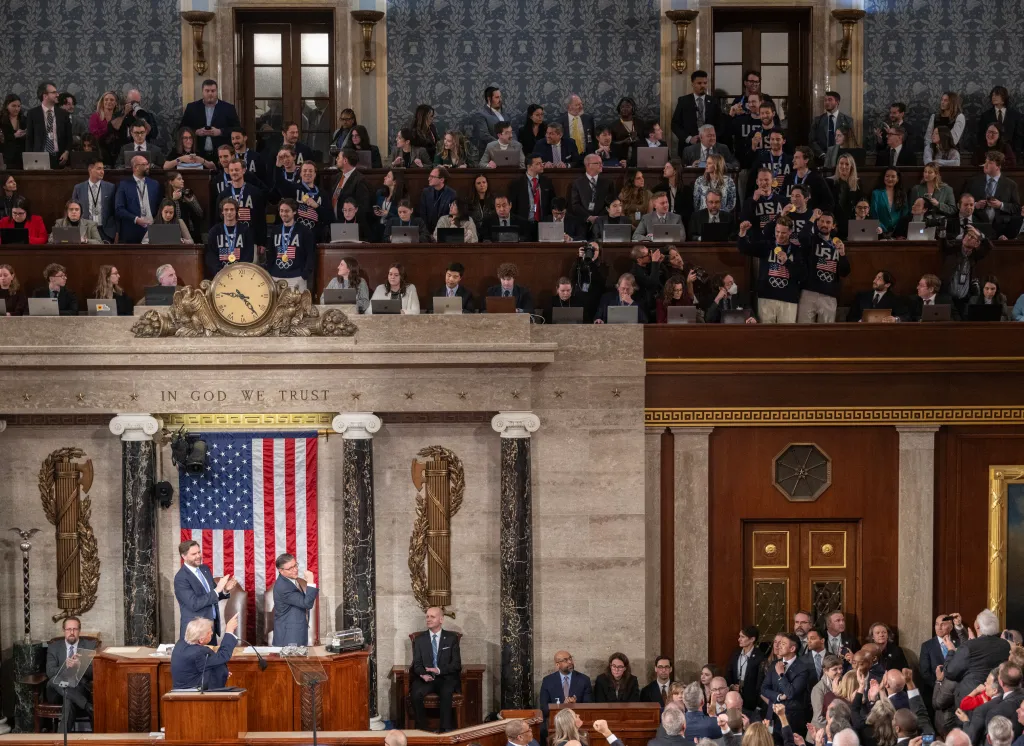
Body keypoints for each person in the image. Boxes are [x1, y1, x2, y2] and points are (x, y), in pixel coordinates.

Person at [739, 216, 803, 323]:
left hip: (788, 299)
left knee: (786, 336)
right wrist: (742, 232)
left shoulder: (797, 251)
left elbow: (802, 275)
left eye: (783, 233)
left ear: (790, 232)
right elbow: (745, 249)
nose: (779, 235)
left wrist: (787, 262)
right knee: (766, 334)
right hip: (766, 297)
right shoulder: (767, 246)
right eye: (777, 231)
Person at [410, 606, 462, 732]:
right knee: (416, 693)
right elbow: (416, 664)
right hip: (426, 678)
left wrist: (438, 670)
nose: (428, 619)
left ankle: (445, 729)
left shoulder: (451, 638)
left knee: (446, 692)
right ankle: (423, 730)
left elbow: (456, 664)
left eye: (432, 617)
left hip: (445, 677)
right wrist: (422, 674)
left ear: (441, 619)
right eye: (427, 616)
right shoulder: (420, 639)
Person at [173, 539, 235, 642]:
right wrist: (218, 589)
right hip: (195, 633)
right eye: (194, 554)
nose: (198, 556)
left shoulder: (204, 569)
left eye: (199, 552)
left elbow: (213, 596)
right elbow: (194, 604)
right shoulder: (181, 578)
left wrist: (224, 590)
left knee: (212, 657)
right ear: (184, 556)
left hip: (210, 629)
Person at [798, 211, 850, 323]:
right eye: (821, 221)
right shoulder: (812, 240)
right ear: (817, 223)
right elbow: (802, 236)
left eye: (828, 222)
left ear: (833, 225)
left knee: (826, 333)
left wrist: (842, 254)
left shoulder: (838, 245)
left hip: (829, 296)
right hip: (809, 292)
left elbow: (844, 272)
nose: (824, 224)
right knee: (803, 330)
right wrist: (812, 218)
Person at [45, 616, 95, 725]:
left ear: (79, 630)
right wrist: (65, 666)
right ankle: (87, 706)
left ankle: (62, 740)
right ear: (64, 630)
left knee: (68, 700)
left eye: (75, 629)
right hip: (56, 693)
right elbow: (50, 672)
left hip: (77, 688)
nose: (71, 632)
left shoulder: (89, 645)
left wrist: (80, 666)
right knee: (55, 679)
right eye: (68, 629)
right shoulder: (54, 647)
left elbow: (95, 672)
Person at [170, 615, 239, 690]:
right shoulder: (200, 653)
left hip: (180, 690)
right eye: (209, 632)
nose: (212, 633)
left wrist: (222, 671)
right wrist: (229, 631)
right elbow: (223, 656)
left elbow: (203, 666)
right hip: (194, 694)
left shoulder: (179, 645)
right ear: (201, 640)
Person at [762, 632, 810, 735]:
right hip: (773, 716)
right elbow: (764, 688)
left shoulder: (803, 668)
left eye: (783, 643)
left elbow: (791, 693)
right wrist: (778, 696)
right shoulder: (775, 664)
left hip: (792, 718)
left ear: (792, 649)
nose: (779, 646)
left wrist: (781, 675)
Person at [179, 79, 240, 158]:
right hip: (197, 153)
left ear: (217, 91)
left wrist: (220, 131)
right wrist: (196, 132)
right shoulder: (192, 108)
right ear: (202, 92)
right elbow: (182, 129)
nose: (210, 94)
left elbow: (237, 129)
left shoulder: (228, 108)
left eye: (213, 91)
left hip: (222, 155)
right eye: (207, 91)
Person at [967, 151, 1022, 237]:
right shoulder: (973, 182)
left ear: (998, 167)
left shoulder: (1011, 185)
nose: (985, 165)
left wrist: (1001, 205)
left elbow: (1017, 208)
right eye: (985, 161)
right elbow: (962, 200)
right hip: (977, 227)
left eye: (989, 163)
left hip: (1002, 229)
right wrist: (975, 205)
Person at [943, 226, 992, 318]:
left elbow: (988, 247)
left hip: (965, 298)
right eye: (968, 235)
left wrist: (979, 235)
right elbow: (943, 245)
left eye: (973, 237)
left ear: (977, 244)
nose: (969, 238)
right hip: (948, 296)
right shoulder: (953, 251)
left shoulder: (975, 256)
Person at [267, 199, 316, 291]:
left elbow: (310, 254)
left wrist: (304, 275)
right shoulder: (275, 230)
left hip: (297, 277)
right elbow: (271, 253)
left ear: (294, 212)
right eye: (281, 211)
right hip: (276, 277)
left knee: (297, 305)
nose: (283, 214)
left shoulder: (305, 231)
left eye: (287, 211)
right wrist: (270, 271)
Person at [270, 552, 317, 646]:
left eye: (295, 565)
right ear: (280, 570)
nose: (295, 570)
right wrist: (311, 581)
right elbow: (307, 603)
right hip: (289, 637)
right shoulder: (284, 587)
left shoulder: (291, 581)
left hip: (296, 632)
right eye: (290, 568)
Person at [671, 70, 721, 157]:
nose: (703, 86)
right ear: (692, 84)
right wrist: (689, 139)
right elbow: (675, 125)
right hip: (688, 147)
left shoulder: (713, 101)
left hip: (710, 147)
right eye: (699, 83)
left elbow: (720, 124)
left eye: (705, 83)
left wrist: (711, 138)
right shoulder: (683, 101)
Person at [221, 158, 268, 248]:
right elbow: (218, 219)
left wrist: (262, 242)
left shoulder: (255, 192)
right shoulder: (223, 195)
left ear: (243, 170)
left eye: (236, 170)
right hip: (229, 240)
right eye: (231, 170)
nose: (234, 172)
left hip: (252, 239)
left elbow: (261, 218)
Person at [539, 650, 594, 726]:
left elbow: (589, 705)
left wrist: (575, 705)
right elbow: (544, 708)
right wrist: (563, 706)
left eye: (570, 658)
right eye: (565, 660)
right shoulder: (548, 681)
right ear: (557, 664)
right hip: (556, 721)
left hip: (577, 720)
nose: (570, 662)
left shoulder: (584, 680)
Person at [114, 156, 161, 243]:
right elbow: (119, 209)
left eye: (148, 164)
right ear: (135, 167)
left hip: (152, 229)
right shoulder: (124, 185)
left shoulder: (154, 184)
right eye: (144, 164)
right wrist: (136, 219)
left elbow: (159, 205)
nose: (148, 167)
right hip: (132, 230)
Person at [205, 198, 255, 279]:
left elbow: (249, 254)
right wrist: (219, 270)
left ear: (236, 211)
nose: (229, 212)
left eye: (232, 209)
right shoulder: (214, 231)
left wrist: (238, 269)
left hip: (241, 274)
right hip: (220, 274)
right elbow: (210, 255)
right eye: (226, 209)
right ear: (222, 212)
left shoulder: (245, 230)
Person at [25, 81, 71, 167]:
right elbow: (29, 138)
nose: (57, 95)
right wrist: (29, 159)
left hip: (59, 157)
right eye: (54, 92)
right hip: (39, 158)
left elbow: (69, 137)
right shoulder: (33, 113)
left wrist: (67, 152)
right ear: (45, 96)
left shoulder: (63, 114)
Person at [508, 155, 554, 234]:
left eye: (542, 163)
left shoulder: (547, 182)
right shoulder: (517, 183)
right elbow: (512, 206)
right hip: (524, 225)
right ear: (529, 167)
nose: (542, 165)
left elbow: (552, 202)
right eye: (538, 164)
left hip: (543, 224)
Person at [570, 154, 618, 226]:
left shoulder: (608, 183)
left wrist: (599, 218)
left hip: (603, 221)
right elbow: (575, 205)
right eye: (598, 163)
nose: (601, 165)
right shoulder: (577, 183)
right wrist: (589, 217)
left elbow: (611, 203)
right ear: (588, 165)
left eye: (601, 163)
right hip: (583, 222)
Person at [810, 91, 854, 161]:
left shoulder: (847, 120)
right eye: (825, 100)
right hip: (821, 159)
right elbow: (812, 140)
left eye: (830, 100)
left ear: (837, 102)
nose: (827, 102)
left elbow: (849, 141)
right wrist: (822, 154)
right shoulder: (817, 120)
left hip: (841, 158)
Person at [332, 149, 373, 226]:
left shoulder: (360, 180)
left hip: (350, 225)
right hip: (335, 222)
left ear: (345, 160)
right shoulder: (337, 177)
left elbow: (363, 207)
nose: (336, 159)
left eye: (338, 157)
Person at [977, 86, 1022, 155]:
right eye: (992, 95)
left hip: (1010, 155)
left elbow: (1018, 137)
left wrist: (1016, 154)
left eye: (996, 95)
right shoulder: (985, 115)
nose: (993, 97)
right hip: (990, 155)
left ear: (1004, 97)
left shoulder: (1015, 115)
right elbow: (981, 136)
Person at [908, 162, 956, 227]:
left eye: (930, 172)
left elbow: (952, 210)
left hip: (939, 224)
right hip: (921, 223)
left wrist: (938, 204)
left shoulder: (947, 189)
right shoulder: (916, 189)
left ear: (936, 174)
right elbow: (911, 209)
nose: (926, 174)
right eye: (925, 172)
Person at [88, 91, 125, 165]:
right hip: (100, 153)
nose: (109, 102)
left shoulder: (118, 117)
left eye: (112, 100)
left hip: (117, 153)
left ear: (116, 103)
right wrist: (110, 127)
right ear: (102, 102)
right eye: (106, 99)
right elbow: (94, 136)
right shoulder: (95, 116)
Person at [869, 168, 908, 237]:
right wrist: (882, 229)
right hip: (879, 232)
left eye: (893, 176)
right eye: (887, 176)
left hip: (898, 234)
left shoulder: (902, 194)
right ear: (883, 177)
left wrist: (896, 230)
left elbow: (904, 214)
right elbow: (874, 214)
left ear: (897, 179)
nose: (890, 179)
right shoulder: (876, 193)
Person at [166, 172, 204, 240]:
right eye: (179, 179)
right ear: (171, 182)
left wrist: (192, 202)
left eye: (182, 179)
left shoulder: (187, 194)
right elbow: (174, 217)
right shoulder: (166, 198)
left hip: (191, 231)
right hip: (175, 231)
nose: (182, 181)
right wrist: (174, 200)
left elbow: (200, 213)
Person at [418, 167, 456, 233]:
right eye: (429, 176)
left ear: (441, 180)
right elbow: (422, 214)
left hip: (444, 231)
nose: (429, 179)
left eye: (432, 177)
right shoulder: (426, 192)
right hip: (427, 231)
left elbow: (452, 216)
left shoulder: (452, 194)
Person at [610, 96, 643, 164]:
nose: (624, 109)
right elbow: (611, 143)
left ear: (633, 109)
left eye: (628, 107)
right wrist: (623, 141)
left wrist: (638, 139)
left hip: (638, 159)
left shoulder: (640, 123)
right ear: (619, 109)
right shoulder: (613, 125)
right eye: (622, 107)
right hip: (620, 159)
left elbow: (647, 141)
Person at [1, 94, 27, 170]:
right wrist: (14, 135)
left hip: (22, 157)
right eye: (13, 106)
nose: (17, 109)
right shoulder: (1, 119)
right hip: (5, 157)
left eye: (19, 106)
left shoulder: (24, 119)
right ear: (6, 106)